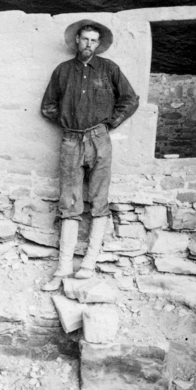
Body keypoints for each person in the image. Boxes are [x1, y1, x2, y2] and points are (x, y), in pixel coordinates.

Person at [40, 19, 139, 291]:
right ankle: (62, 269)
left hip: (99, 140)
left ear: (99, 44)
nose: (88, 44)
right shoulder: (62, 71)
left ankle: (89, 264)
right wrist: (67, 122)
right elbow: (47, 105)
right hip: (71, 140)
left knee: (98, 199)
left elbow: (130, 99)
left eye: (94, 40)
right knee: (69, 201)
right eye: (84, 39)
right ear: (76, 41)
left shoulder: (109, 70)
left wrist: (110, 122)